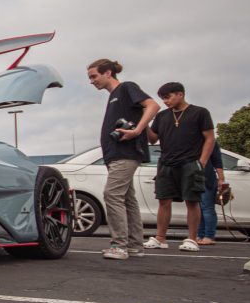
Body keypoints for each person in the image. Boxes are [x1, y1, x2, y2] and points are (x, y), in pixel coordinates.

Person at [87, 59, 159, 261]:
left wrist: (136, 130)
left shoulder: (126, 88)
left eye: (94, 76)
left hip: (125, 153)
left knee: (112, 194)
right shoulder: (113, 97)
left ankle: (119, 245)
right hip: (116, 155)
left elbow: (153, 105)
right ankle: (135, 245)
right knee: (127, 199)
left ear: (108, 73)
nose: (92, 81)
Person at [146, 82, 215, 252]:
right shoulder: (162, 116)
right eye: (162, 98)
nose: (165, 101)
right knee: (163, 200)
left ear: (180, 94)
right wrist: (145, 122)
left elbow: (210, 138)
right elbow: (152, 139)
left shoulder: (199, 112)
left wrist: (202, 162)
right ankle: (160, 238)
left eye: (167, 97)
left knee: (192, 201)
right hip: (166, 163)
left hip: (190, 163)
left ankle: (192, 239)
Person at [198, 141, 226, 246]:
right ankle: (201, 235)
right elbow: (217, 160)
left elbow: (217, 161)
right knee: (200, 209)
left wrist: (221, 179)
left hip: (206, 178)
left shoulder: (210, 141)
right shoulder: (209, 141)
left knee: (206, 208)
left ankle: (208, 235)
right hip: (200, 177)